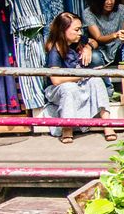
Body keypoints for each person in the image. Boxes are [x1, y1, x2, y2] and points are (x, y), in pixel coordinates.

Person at [43, 12, 115, 144]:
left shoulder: (78, 40)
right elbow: (56, 80)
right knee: (68, 88)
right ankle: (67, 128)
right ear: (63, 31)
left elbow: (94, 41)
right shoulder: (55, 50)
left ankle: (107, 124)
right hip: (58, 89)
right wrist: (82, 75)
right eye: (76, 30)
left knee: (97, 80)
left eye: (81, 29)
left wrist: (88, 47)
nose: (80, 32)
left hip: (80, 82)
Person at [81, 0, 124, 67]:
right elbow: (98, 38)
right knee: (95, 57)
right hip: (100, 49)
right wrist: (115, 35)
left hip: (119, 48)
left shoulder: (121, 9)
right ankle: (104, 79)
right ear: (98, 0)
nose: (109, 2)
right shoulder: (88, 13)